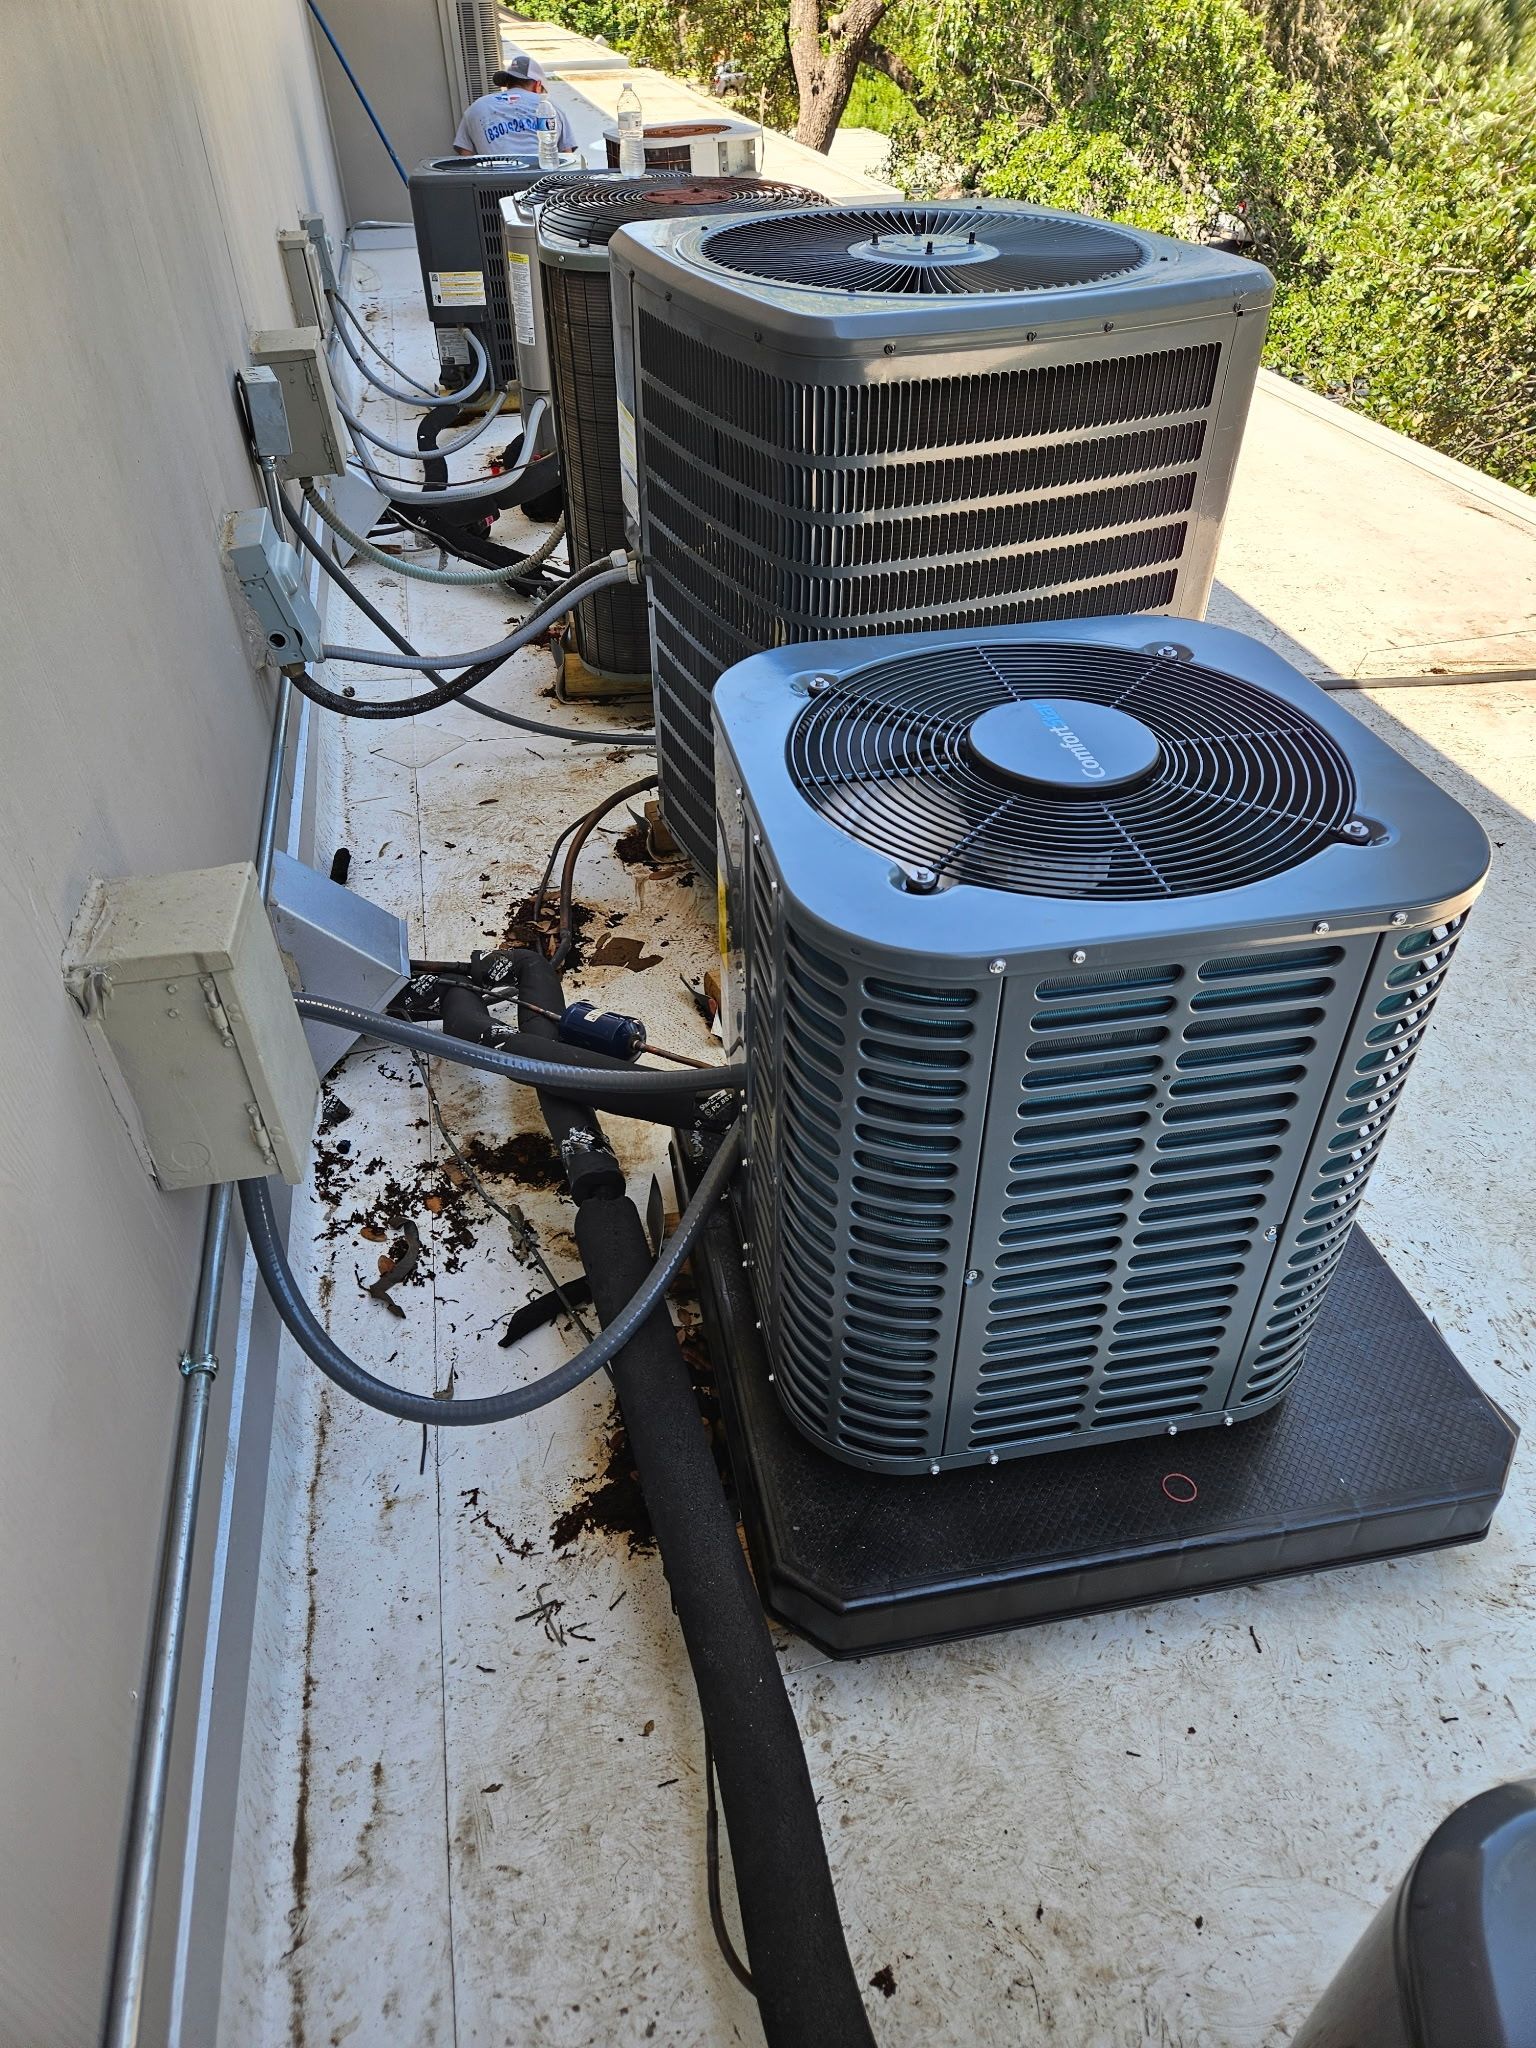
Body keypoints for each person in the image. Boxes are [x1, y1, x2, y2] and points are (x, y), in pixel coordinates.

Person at [453, 59, 575, 159]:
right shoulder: (550, 106)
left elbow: (465, 154)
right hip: (542, 184)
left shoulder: (477, 107)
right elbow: (567, 155)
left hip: (493, 185)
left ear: (507, 84)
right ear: (538, 86)